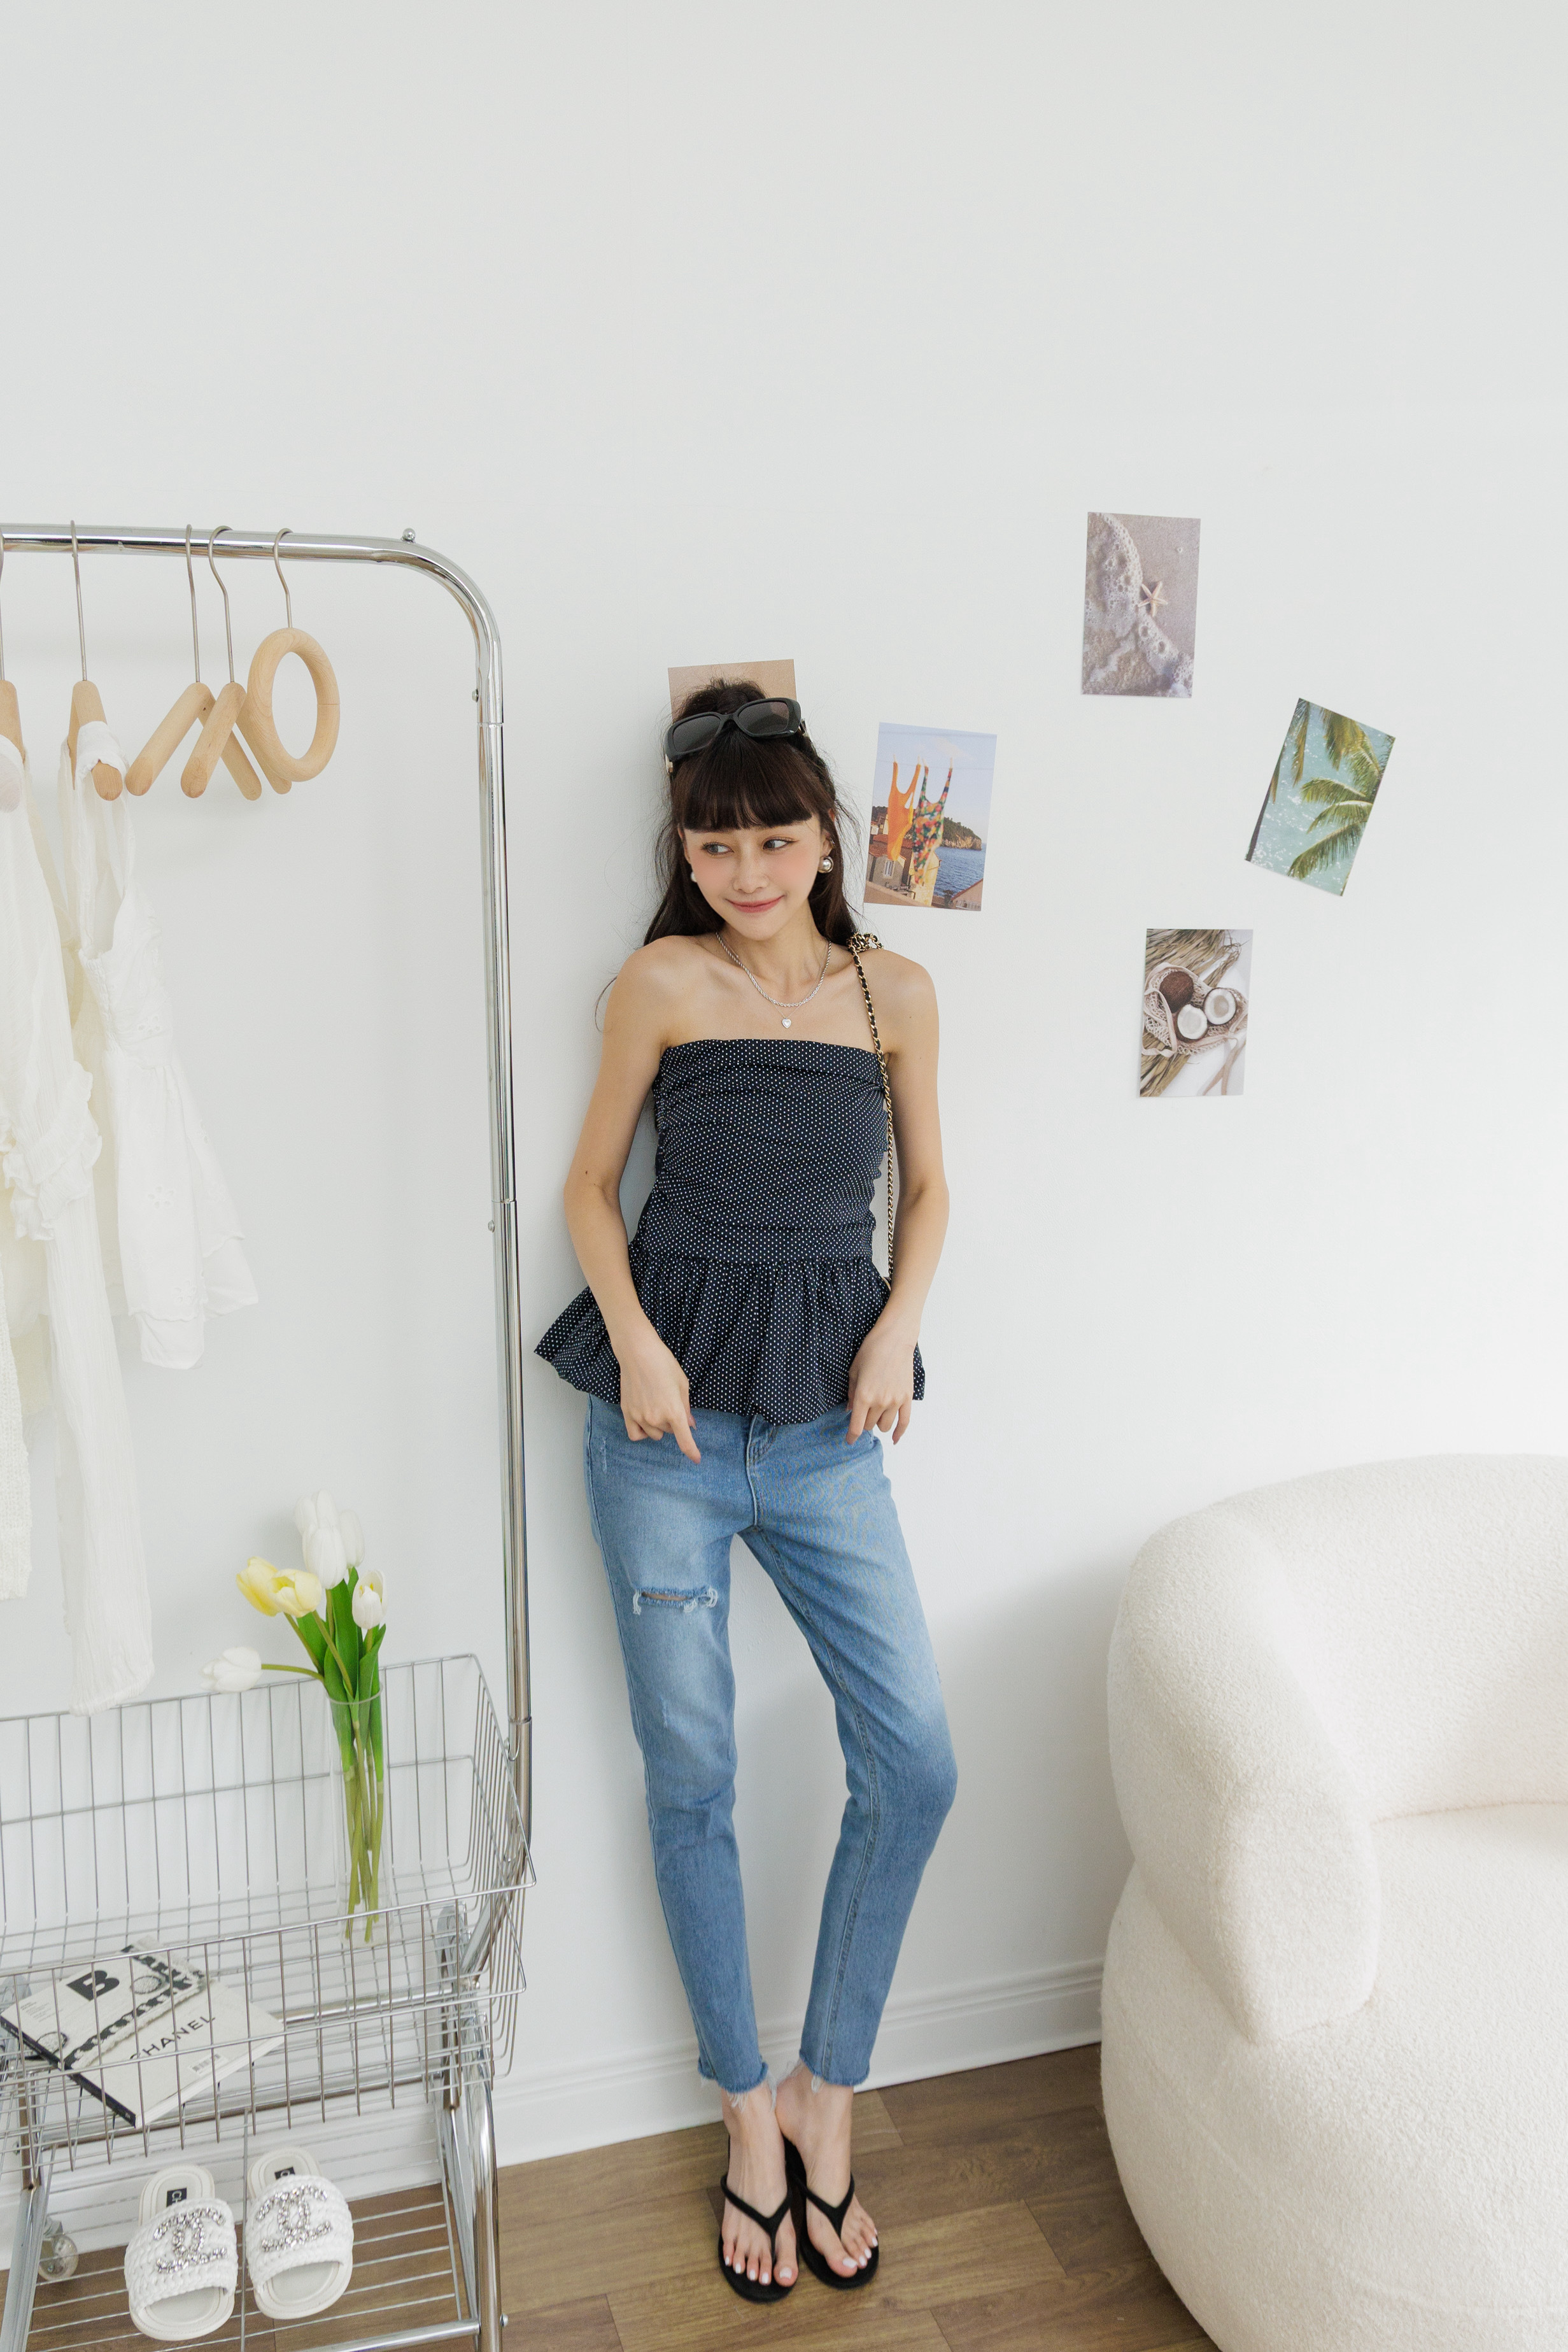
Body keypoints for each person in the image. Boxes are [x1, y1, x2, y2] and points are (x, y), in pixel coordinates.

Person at [537, 681, 957, 2305]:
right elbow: (589, 1187)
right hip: (666, 1436)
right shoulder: (657, 981)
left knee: (912, 1761)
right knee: (693, 1774)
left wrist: (898, 1329)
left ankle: (823, 2090)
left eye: (774, 839)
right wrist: (639, 1347)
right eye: (715, 847)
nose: (747, 871)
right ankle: (743, 2118)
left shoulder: (894, 991)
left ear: (822, 837)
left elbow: (928, 1188)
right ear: (685, 852)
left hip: (830, 1425)